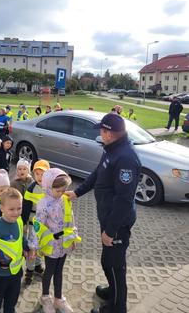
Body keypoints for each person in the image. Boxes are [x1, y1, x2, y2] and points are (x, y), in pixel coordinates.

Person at [66, 113, 141, 313]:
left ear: (109, 133)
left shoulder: (126, 158)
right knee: (107, 261)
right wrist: (77, 192)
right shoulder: (112, 150)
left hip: (117, 222)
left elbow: (124, 200)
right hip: (108, 217)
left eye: (102, 130)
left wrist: (110, 230)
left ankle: (117, 307)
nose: (100, 133)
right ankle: (112, 291)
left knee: (115, 266)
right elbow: (98, 173)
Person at [29, 168, 81, 313]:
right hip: (51, 245)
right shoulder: (43, 204)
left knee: (59, 271)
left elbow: (70, 220)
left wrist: (73, 237)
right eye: (58, 191)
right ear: (47, 187)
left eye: (64, 190)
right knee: (49, 271)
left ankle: (59, 299)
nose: (61, 193)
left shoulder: (64, 199)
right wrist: (33, 246)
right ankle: (45, 297)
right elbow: (37, 226)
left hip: (64, 244)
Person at [0, 187, 32, 313]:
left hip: (16, 274)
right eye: (11, 209)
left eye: (19, 208)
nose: (16, 212)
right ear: (2, 208)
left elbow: (21, 238)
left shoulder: (19, 221)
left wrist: (27, 248)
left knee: (10, 305)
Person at [22, 159, 50, 286]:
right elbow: (26, 207)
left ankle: (38, 266)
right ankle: (29, 270)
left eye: (43, 174)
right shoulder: (31, 188)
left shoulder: (51, 188)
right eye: (37, 174)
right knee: (32, 246)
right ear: (33, 175)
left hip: (46, 224)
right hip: (34, 222)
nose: (39, 177)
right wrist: (23, 224)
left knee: (41, 246)